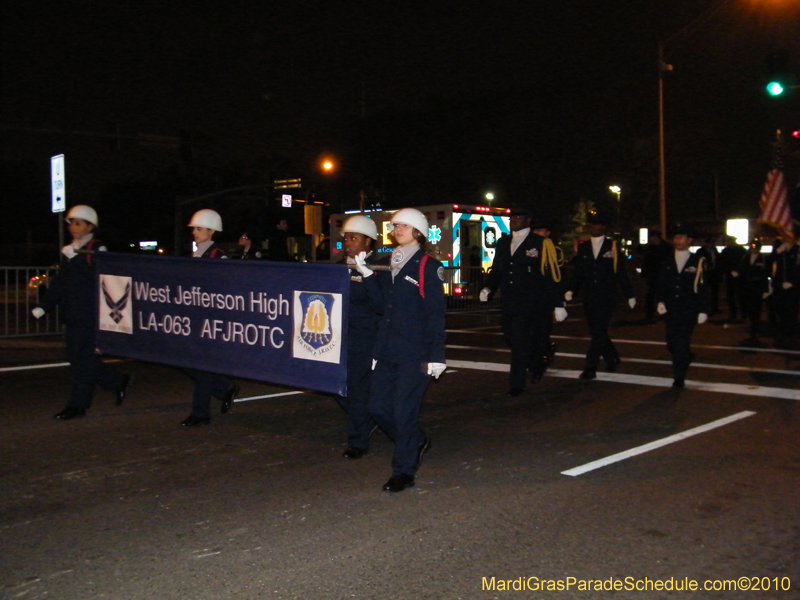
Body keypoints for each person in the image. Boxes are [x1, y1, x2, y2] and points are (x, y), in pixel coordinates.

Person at [365, 207, 446, 493]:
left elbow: (435, 314)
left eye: (404, 225)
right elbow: (380, 307)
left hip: (416, 352)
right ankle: (416, 440)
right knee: (377, 407)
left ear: (418, 232)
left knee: (404, 411)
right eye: (396, 225)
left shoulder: (426, 266)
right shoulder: (388, 262)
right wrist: (366, 276)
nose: (397, 229)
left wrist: (436, 355)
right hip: (388, 349)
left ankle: (403, 471)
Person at [32, 205, 132, 420]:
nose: (73, 228)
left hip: (91, 313)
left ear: (90, 226)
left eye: (78, 223)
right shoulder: (72, 250)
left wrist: (76, 258)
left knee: (83, 361)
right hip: (73, 313)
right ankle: (116, 380)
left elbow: (99, 277)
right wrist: (44, 305)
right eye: (71, 224)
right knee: (77, 359)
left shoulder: (97, 248)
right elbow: (61, 282)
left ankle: (77, 406)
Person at [479, 208, 566, 395]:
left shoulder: (541, 243)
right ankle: (538, 361)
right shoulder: (503, 242)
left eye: (518, 217)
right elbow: (497, 270)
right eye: (512, 217)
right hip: (510, 301)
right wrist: (488, 288)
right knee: (512, 337)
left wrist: (558, 303)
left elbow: (551, 275)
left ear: (528, 220)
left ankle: (516, 383)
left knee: (519, 341)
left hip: (533, 302)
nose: (513, 220)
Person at [180, 209, 239, 426]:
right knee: (186, 360)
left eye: (199, 228)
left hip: (210, 320)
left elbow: (224, 291)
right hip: (194, 319)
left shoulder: (218, 257)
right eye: (194, 228)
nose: (194, 232)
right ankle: (223, 389)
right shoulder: (193, 256)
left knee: (202, 367)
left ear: (212, 231)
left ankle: (200, 413)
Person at [565, 210, 635, 380]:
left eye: (596, 224)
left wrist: (629, 294)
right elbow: (579, 272)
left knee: (598, 331)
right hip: (589, 295)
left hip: (607, 295)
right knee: (597, 331)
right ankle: (612, 357)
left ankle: (591, 367)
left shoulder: (613, 247)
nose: (593, 227)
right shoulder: (584, 247)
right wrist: (571, 290)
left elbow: (620, 272)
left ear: (604, 227)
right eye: (591, 224)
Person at [337, 215, 384, 459]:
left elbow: (380, 304)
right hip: (338, 338)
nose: (348, 242)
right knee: (338, 387)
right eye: (346, 238)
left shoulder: (378, 268)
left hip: (365, 338)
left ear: (368, 242)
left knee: (354, 388)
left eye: (353, 238)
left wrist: (365, 274)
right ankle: (367, 420)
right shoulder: (338, 267)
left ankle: (358, 440)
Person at [655, 222, 710, 388]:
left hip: (688, 309)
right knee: (671, 343)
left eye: (682, 237)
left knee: (681, 343)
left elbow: (703, 287)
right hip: (671, 309)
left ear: (689, 240)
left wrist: (703, 310)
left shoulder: (698, 262)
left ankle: (679, 377)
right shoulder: (667, 261)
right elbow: (661, 284)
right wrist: (660, 301)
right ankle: (685, 356)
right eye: (676, 237)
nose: (678, 240)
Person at [731, 240, 770, 342]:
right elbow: (740, 268)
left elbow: (766, 274)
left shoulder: (764, 259)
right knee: (747, 306)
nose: (754, 249)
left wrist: (766, 289)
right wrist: (737, 273)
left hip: (757, 287)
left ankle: (755, 328)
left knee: (756, 308)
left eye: (756, 247)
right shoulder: (744, 258)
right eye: (752, 247)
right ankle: (750, 322)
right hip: (746, 286)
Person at [768, 238, 800, 347]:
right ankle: (782, 329)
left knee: (791, 309)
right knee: (780, 308)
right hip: (780, 284)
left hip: (793, 285)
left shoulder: (797, 250)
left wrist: (793, 282)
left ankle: (790, 331)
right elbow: (769, 260)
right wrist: (778, 251)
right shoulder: (780, 250)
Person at [718, 236, 747, 321]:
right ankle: (734, 314)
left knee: (740, 296)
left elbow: (744, 262)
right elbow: (722, 263)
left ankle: (742, 314)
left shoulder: (740, 250)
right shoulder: (726, 251)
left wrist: (738, 271)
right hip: (730, 275)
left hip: (739, 276)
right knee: (732, 296)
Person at [695, 236, 721, 316]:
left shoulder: (715, 250)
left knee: (714, 292)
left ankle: (714, 308)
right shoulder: (701, 251)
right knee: (704, 292)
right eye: (710, 243)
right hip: (705, 274)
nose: (711, 244)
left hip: (714, 274)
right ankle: (704, 309)